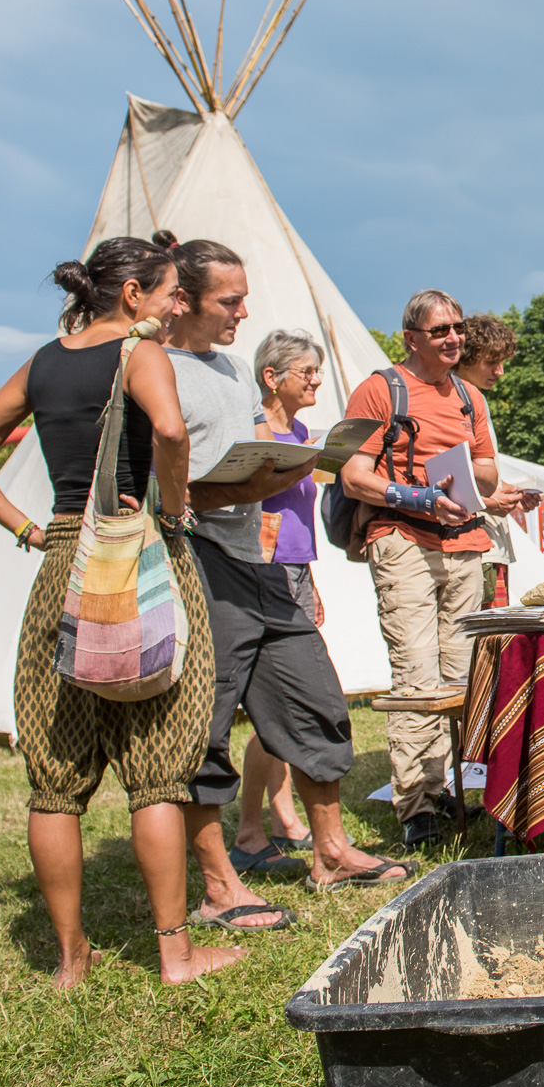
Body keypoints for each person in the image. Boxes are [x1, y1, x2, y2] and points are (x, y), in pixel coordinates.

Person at [0, 235, 242, 987]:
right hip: (140, 556)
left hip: (63, 562)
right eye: (171, 292)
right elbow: (169, 430)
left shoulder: (44, 362)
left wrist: (29, 529)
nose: (177, 304)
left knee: (56, 781)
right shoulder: (141, 352)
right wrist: (172, 510)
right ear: (133, 294)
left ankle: (71, 956)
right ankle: (175, 953)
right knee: (159, 768)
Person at [162, 236, 415, 926]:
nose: (243, 312)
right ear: (182, 299)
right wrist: (226, 491)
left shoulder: (230, 370)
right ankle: (220, 885)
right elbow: (153, 479)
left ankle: (330, 850)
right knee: (205, 722)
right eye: (230, 300)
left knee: (314, 695)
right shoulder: (153, 368)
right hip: (197, 560)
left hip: (262, 563)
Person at [339, 289, 501, 849]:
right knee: (416, 674)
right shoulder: (379, 390)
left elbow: (488, 471)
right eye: (440, 330)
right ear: (411, 338)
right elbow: (352, 476)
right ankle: (416, 807)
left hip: (465, 543)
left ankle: (449, 787)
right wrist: (419, 496)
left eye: (458, 327)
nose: (454, 337)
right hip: (402, 539)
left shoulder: (470, 397)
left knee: (459, 678)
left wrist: (467, 478)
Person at [231, 329, 329, 871]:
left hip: (295, 570)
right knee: (278, 707)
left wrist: (311, 580)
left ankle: (282, 817)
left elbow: (299, 518)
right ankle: (250, 829)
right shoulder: (255, 432)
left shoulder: (302, 433)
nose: (316, 380)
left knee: (290, 703)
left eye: (317, 371)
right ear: (271, 377)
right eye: (306, 371)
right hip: (261, 571)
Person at [454, 313, 544, 604]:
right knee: (480, 629)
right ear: (466, 356)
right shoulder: (453, 400)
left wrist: (511, 493)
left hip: (489, 541)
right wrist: (491, 502)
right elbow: (447, 475)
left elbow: (481, 476)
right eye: (492, 362)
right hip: (471, 544)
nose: (500, 371)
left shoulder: (474, 398)